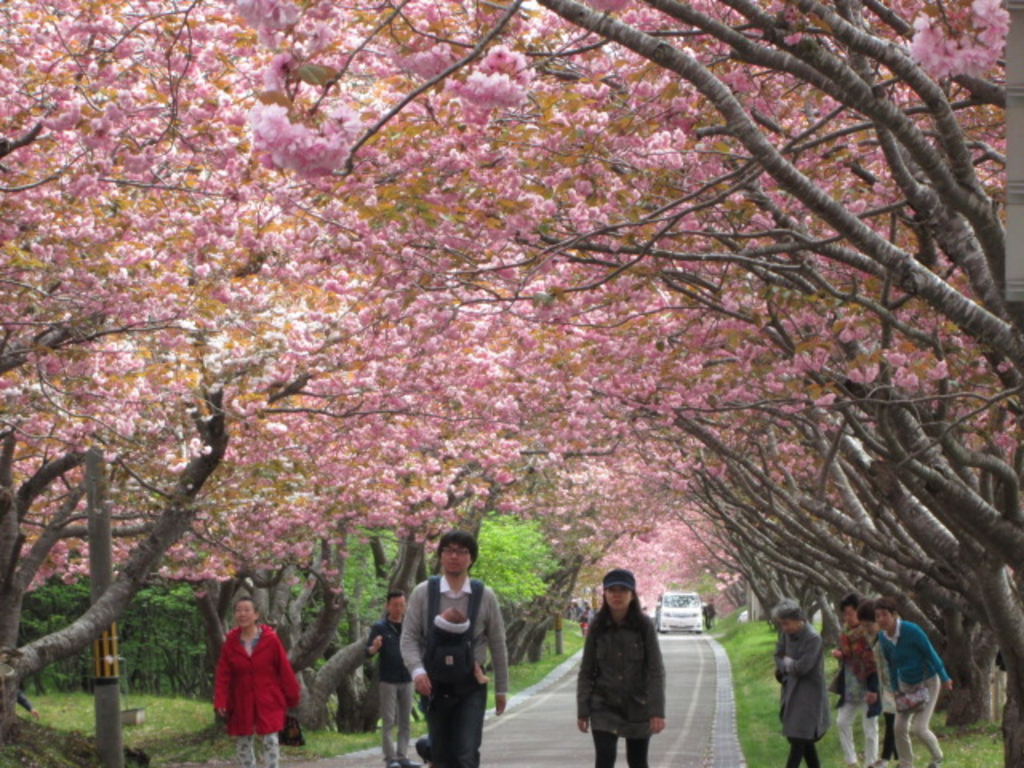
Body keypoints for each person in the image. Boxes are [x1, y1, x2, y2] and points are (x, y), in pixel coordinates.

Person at [400, 530, 509, 768]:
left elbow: (498, 643)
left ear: (471, 558)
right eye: (448, 550)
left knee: (466, 752)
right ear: (440, 556)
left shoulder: (485, 596)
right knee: (441, 755)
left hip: (471, 685)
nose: (454, 556)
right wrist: (417, 671)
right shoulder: (423, 593)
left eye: (462, 551)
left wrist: (502, 689)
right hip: (434, 686)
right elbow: (408, 637)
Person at [576, 568, 666, 768]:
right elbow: (586, 670)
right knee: (605, 760)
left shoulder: (644, 625)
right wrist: (583, 710)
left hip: (637, 705)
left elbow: (655, 670)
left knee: (638, 762)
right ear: (605, 594)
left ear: (632, 595)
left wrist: (657, 711)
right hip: (603, 706)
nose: (617, 595)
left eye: (623, 590)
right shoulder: (597, 625)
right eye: (612, 590)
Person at [214, 597, 300, 768]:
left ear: (256, 615)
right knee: (243, 740)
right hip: (241, 699)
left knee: (270, 739)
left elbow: (284, 669)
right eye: (238, 610)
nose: (242, 614)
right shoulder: (230, 642)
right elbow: (223, 674)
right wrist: (220, 701)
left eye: (247, 610)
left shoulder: (270, 640)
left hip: (268, 698)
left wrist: (292, 696)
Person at [874, 596, 952, 768]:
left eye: (884, 615)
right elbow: (891, 665)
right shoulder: (883, 637)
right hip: (906, 685)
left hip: (927, 681)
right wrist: (895, 689)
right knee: (899, 727)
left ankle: (937, 757)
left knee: (919, 728)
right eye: (877, 616)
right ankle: (906, 764)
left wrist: (945, 678)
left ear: (894, 615)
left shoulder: (912, 631)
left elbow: (930, 654)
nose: (880, 620)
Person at [773, 598, 830, 768]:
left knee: (799, 737)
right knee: (801, 738)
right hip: (790, 690)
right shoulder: (786, 634)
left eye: (787, 624)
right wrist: (787, 664)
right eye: (782, 624)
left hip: (808, 694)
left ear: (799, 620)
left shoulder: (813, 638)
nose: (784, 628)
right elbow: (777, 655)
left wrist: (788, 664)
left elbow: (803, 667)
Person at [367, 590, 420, 768]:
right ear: (388, 606)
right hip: (388, 680)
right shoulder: (379, 627)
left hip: (407, 678)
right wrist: (374, 647)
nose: (399, 608)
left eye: (402, 605)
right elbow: (367, 652)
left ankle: (403, 756)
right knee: (388, 721)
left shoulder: (410, 626)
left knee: (405, 721)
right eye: (395, 605)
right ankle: (390, 759)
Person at [831, 592, 880, 768]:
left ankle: (871, 763)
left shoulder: (870, 633)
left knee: (870, 728)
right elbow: (849, 654)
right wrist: (841, 655)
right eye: (844, 614)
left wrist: (874, 689)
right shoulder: (845, 632)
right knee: (842, 722)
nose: (847, 617)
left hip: (869, 684)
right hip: (850, 686)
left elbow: (873, 661)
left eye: (850, 613)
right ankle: (851, 761)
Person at [858, 599, 898, 767]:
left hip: (894, 684)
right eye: (863, 626)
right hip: (884, 685)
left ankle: (885, 759)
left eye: (868, 625)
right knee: (893, 722)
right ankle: (900, 758)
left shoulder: (887, 638)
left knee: (893, 722)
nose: (866, 629)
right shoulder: (875, 638)